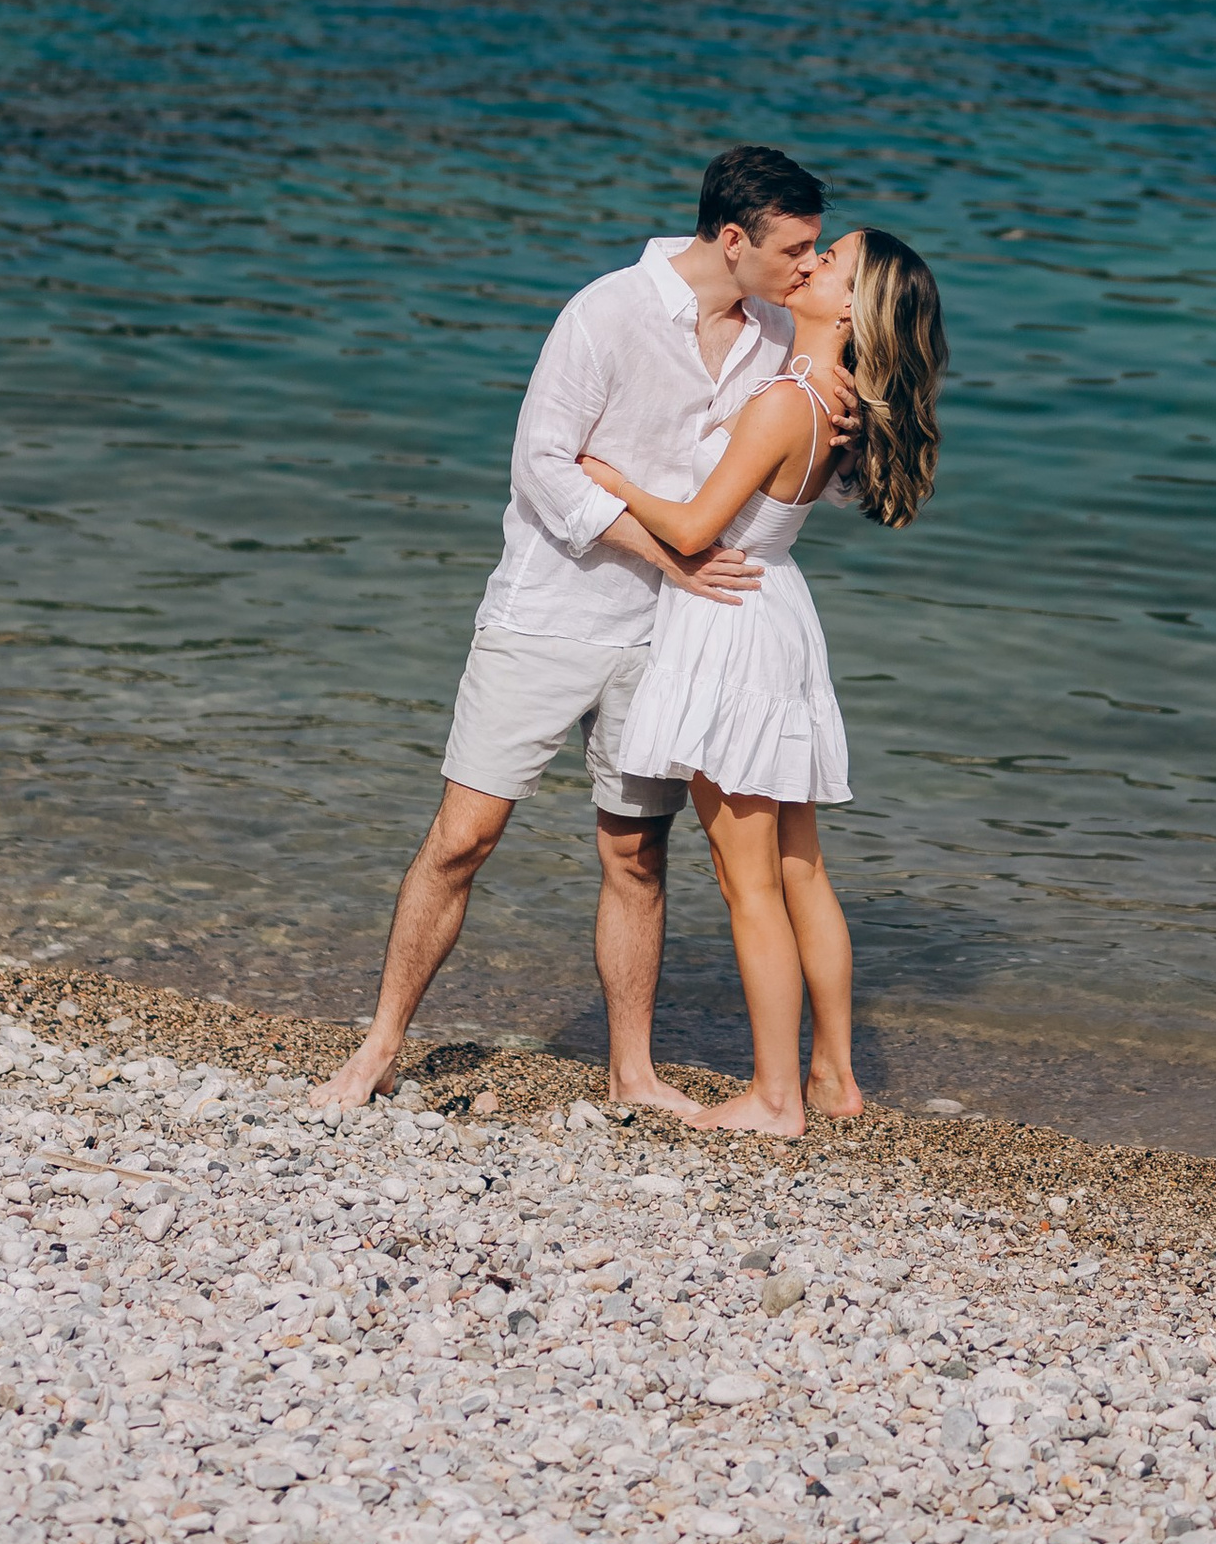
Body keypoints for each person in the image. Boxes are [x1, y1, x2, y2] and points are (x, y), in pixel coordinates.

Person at [312, 148, 847, 1122]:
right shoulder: (605, 312)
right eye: (794, 250)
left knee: (636, 854)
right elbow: (543, 467)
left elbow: (786, 465)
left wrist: (853, 428)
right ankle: (379, 1046)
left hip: (675, 635)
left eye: (818, 251)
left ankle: (630, 1073)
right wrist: (668, 551)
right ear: (733, 240)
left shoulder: (780, 335)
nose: (808, 266)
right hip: (549, 613)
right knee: (463, 838)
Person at [580, 226, 946, 1139]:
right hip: (774, 611)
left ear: (852, 307)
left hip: (733, 622)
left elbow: (694, 528)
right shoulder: (832, 396)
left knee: (748, 883)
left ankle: (775, 1097)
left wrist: (607, 479)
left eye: (831, 260)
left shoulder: (790, 401)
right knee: (799, 868)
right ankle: (833, 1076)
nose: (810, 262)